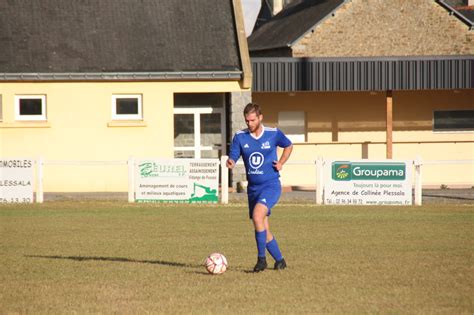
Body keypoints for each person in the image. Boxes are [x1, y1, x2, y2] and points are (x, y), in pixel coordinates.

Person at [226, 103, 293, 272]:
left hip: (271, 185)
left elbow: (288, 145)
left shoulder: (273, 133)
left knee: (257, 216)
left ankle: (261, 260)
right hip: (253, 189)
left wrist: (281, 162)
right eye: (247, 120)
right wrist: (231, 161)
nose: (249, 124)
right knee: (262, 226)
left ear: (260, 117)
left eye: (252, 120)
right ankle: (280, 260)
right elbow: (235, 153)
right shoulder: (240, 136)